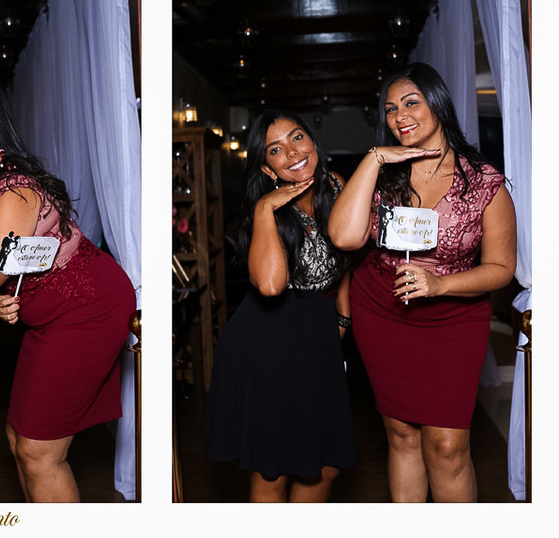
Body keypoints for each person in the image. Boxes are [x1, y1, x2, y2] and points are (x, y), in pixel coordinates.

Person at [329, 62, 516, 502]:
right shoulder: (382, 174)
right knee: (400, 434)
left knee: (448, 447)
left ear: (438, 103)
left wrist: (439, 284)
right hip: (382, 308)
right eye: (391, 109)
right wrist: (374, 158)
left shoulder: (484, 184)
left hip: (453, 317)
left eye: (411, 103)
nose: (400, 117)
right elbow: (344, 238)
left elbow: (501, 268)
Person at [0, 83, 136, 502]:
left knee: (39, 452)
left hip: (87, 310)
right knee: (18, 438)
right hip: (51, 317)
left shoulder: (12, 190)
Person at [206, 111, 354, 502]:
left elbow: (347, 255)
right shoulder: (264, 211)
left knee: (326, 465)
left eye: (297, 138)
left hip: (318, 334)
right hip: (267, 342)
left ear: (313, 141)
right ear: (267, 168)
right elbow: (271, 286)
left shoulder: (337, 186)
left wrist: (344, 316)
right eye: (276, 149)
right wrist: (264, 209)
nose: (292, 153)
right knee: (273, 469)